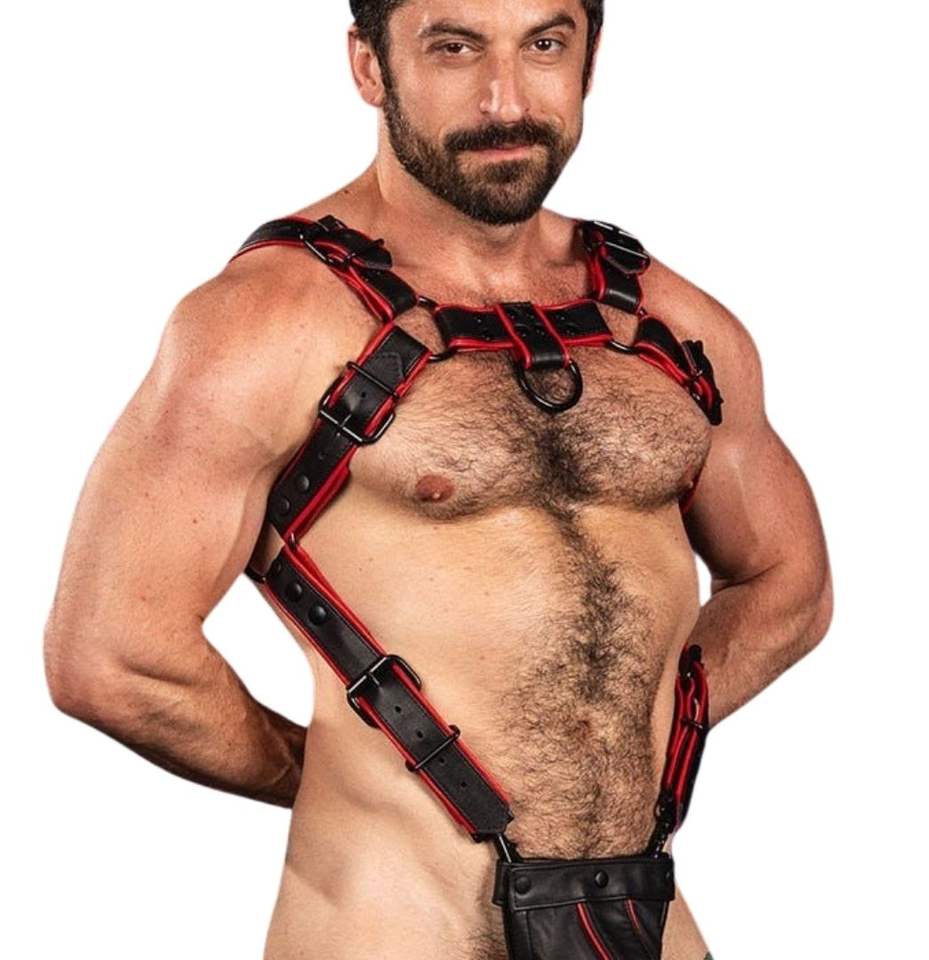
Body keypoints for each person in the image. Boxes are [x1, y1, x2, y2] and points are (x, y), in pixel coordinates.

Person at [42, 1, 833, 958]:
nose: (506, 99)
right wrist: (338, 773)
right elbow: (113, 655)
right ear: (370, 68)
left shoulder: (671, 323)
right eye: (453, 48)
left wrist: (634, 724)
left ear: (589, 60)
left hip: (651, 926)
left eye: (544, 45)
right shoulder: (265, 322)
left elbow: (788, 581)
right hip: (393, 927)